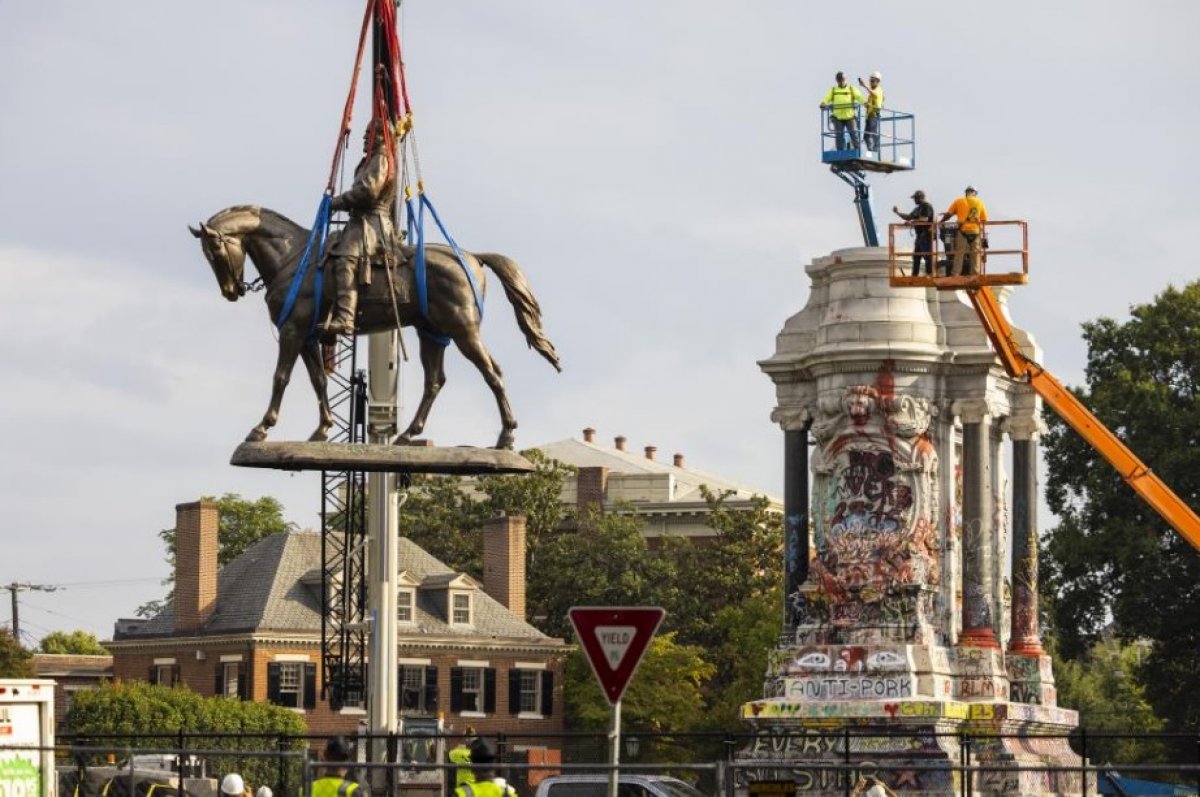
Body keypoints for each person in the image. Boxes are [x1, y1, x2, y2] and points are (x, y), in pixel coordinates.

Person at [318, 117, 399, 340]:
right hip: (360, 221)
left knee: (346, 259)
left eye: (371, 133)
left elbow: (367, 192)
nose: (365, 138)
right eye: (365, 134)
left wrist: (337, 202)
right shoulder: (369, 160)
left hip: (372, 223)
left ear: (384, 136)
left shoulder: (382, 158)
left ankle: (346, 317)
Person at [940, 186, 989, 276]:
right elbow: (984, 219)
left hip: (962, 230)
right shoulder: (980, 202)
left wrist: (941, 221)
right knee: (976, 254)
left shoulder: (959, 201)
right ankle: (975, 274)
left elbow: (949, 214)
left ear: (966, 193)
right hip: (975, 231)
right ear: (974, 193)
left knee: (959, 253)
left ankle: (955, 273)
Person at [892, 190, 935, 276]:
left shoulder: (927, 206)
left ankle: (929, 274)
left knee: (927, 256)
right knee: (916, 256)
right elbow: (908, 217)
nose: (914, 200)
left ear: (920, 198)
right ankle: (915, 275)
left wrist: (912, 222)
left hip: (926, 235)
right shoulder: (917, 209)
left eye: (915, 198)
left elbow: (925, 219)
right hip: (919, 236)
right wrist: (898, 212)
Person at [820, 72, 865, 151]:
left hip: (849, 116)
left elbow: (859, 97)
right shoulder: (833, 90)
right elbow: (827, 98)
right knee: (839, 135)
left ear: (845, 79)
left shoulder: (851, 89)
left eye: (843, 80)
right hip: (838, 117)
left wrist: (865, 103)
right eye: (839, 80)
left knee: (853, 133)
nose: (841, 82)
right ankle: (840, 151)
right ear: (837, 80)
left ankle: (858, 150)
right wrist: (823, 103)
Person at [857, 71, 884, 153]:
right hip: (869, 115)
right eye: (870, 81)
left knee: (873, 134)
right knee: (866, 136)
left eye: (872, 81)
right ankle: (871, 151)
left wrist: (865, 86)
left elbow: (874, 94)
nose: (871, 82)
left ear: (878, 81)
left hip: (874, 115)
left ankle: (875, 151)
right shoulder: (874, 90)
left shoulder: (878, 90)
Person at [448, 726, 477, 791]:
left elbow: (449, 753)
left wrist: (460, 740)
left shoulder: (458, 752)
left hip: (462, 789)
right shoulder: (479, 753)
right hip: (476, 788)